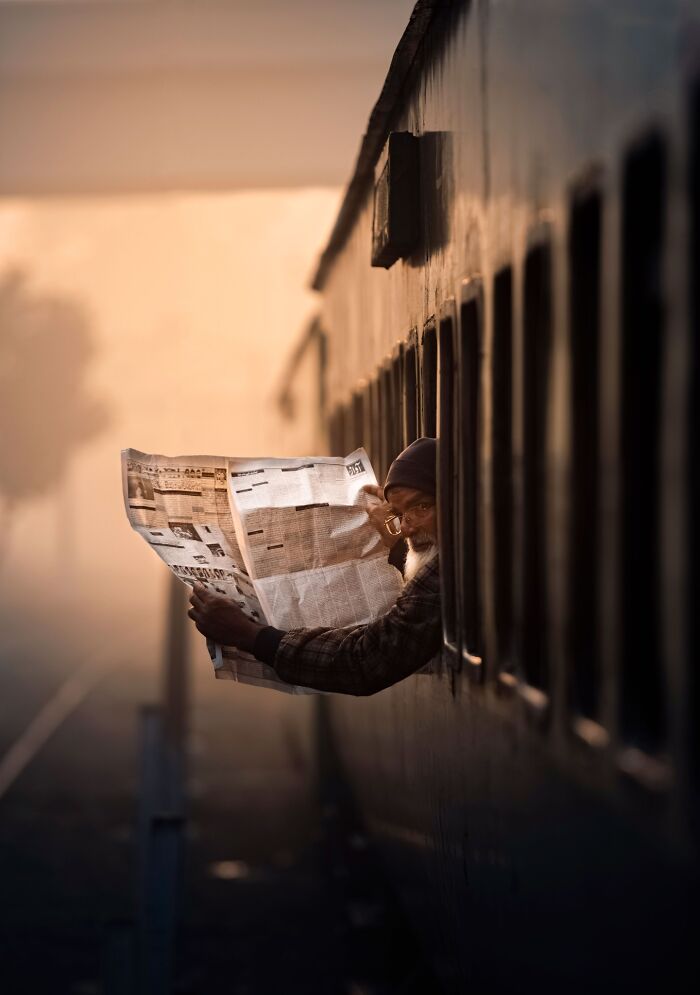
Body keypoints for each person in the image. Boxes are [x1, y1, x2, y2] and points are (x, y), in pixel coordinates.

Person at [187, 438, 442, 695]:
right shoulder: (444, 566)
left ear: (455, 498)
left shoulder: (444, 573)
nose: (407, 528)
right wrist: (398, 550)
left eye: (421, 506)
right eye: (399, 515)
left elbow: (365, 658)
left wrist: (250, 635)